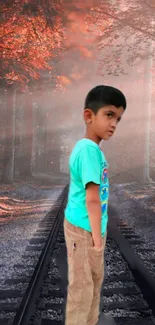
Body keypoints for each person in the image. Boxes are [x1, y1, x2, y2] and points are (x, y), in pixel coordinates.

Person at [64, 85, 127, 325]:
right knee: (82, 291)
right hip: (84, 231)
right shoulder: (89, 151)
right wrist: (98, 242)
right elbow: (92, 198)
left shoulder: (91, 149)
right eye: (109, 115)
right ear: (89, 116)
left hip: (87, 228)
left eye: (118, 119)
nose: (114, 124)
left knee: (90, 286)